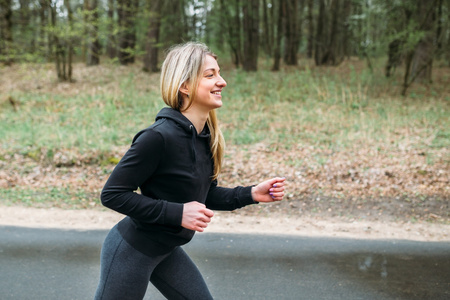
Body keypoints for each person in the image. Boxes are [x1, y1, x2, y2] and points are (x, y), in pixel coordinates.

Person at [94, 42, 286, 300]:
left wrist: (251, 194)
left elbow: (205, 195)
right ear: (184, 85)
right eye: (210, 75)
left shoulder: (205, 137)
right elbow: (113, 194)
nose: (222, 82)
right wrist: (177, 212)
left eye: (219, 73)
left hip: (166, 249)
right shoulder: (157, 138)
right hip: (131, 250)